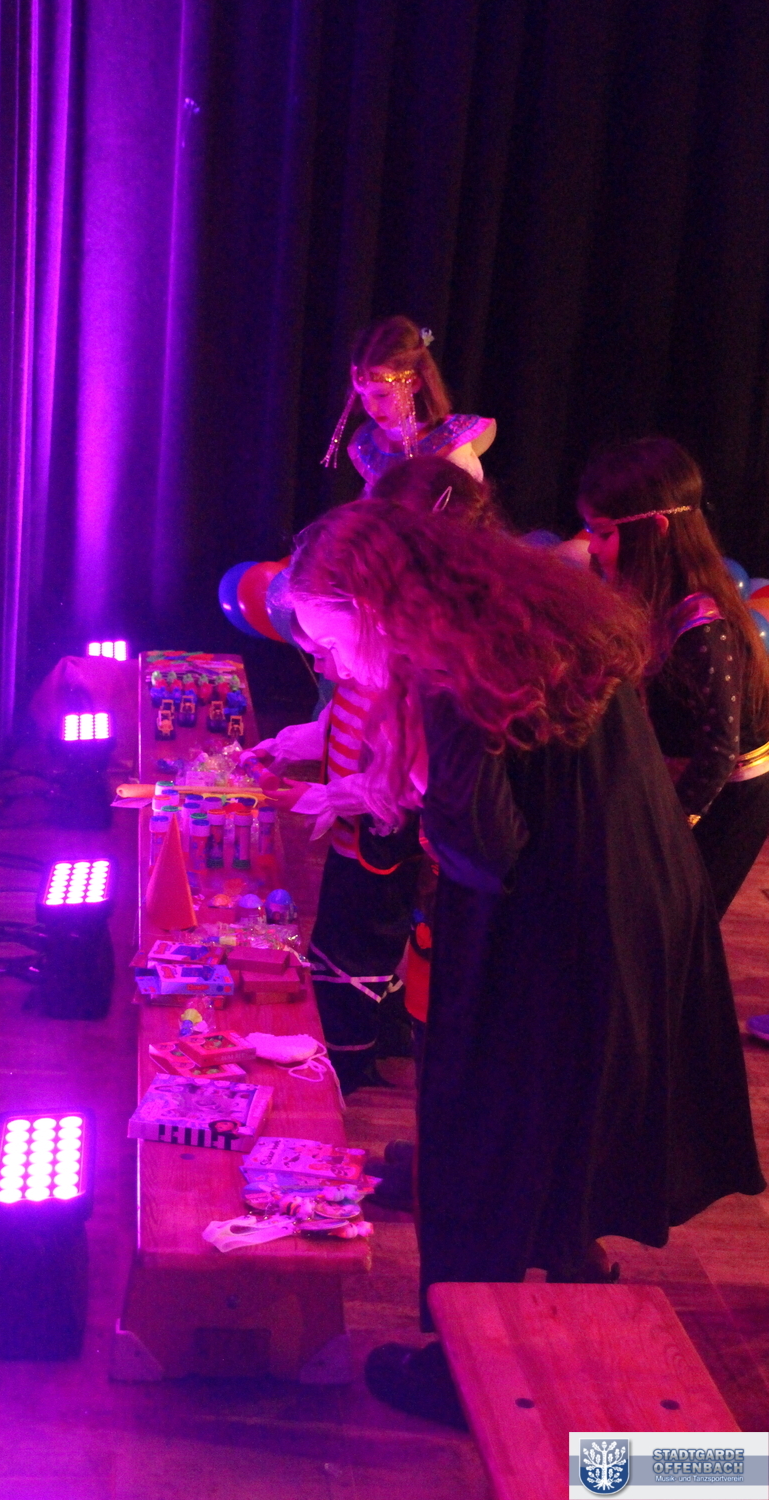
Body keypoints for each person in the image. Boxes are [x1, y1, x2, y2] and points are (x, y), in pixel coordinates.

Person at [286, 500, 764, 1421]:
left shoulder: (450, 668)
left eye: (329, 637)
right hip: (639, 894)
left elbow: (487, 848)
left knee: (482, 1132)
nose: (330, 662)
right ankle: (570, 1262)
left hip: (559, 923)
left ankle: (465, 1367)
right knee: (568, 1106)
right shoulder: (521, 615)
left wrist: (417, 803)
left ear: (372, 607)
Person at [250, 457, 500, 1095]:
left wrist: (318, 796)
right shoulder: (395, 674)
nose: (329, 666)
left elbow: (412, 795)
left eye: (332, 646)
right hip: (445, 874)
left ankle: (355, 1057)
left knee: (369, 952)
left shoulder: (443, 681)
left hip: (450, 884)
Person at [578, 438, 769, 917]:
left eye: (603, 533)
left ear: (658, 528)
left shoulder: (703, 624)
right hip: (686, 776)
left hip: (727, 794)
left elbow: (720, 750)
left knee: (681, 915)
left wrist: (668, 828)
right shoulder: (655, 595)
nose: (592, 547)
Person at [322, 316, 495, 490]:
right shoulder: (376, 444)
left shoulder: (450, 453)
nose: (371, 408)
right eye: (363, 395)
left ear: (414, 383)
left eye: (382, 395)